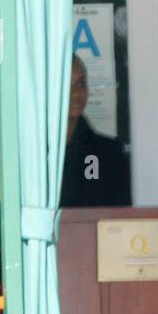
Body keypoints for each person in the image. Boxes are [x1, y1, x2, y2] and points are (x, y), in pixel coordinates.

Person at [61, 55, 132, 207]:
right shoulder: (34, 155)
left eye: (80, 84)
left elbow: (120, 218)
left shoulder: (109, 153)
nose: (76, 94)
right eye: (66, 84)